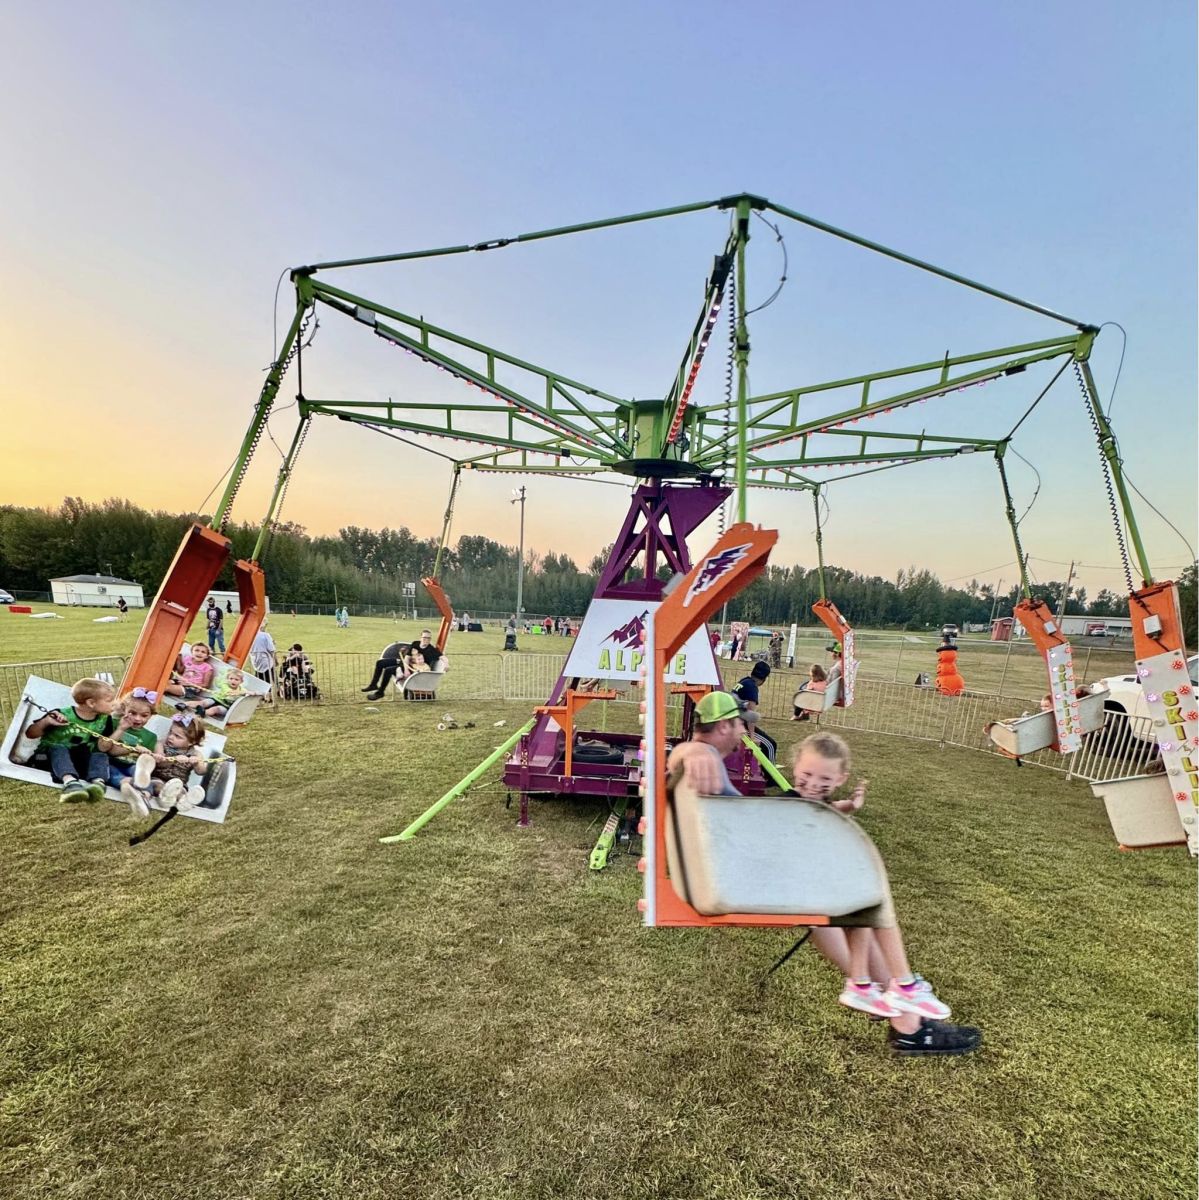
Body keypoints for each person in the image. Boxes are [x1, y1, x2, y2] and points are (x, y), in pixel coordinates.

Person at [667, 701, 980, 1057]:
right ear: (724, 726)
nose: (744, 733)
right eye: (740, 725)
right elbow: (680, 758)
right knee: (866, 894)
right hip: (744, 883)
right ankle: (904, 1008)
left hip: (743, 875)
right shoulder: (702, 758)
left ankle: (899, 1010)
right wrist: (690, 749)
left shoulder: (708, 764)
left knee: (854, 904)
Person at [24, 677, 117, 802]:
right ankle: (71, 783)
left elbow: (102, 747)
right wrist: (46, 722)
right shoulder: (60, 714)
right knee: (59, 748)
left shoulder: (105, 720)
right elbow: (30, 734)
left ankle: (98, 783)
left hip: (78, 761)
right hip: (47, 759)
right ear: (91, 703)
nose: (115, 704)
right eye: (110, 701)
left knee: (100, 754)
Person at [121, 712, 211, 819]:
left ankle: (186, 801)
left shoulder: (195, 754)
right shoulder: (161, 744)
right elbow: (160, 762)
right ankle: (166, 797)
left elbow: (201, 771)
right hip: (157, 778)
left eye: (177, 736)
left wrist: (197, 763)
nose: (171, 737)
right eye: (170, 732)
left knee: (181, 791)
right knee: (158, 785)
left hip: (179, 784)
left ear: (191, 742)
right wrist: (174, 760)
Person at [100, 688, 160, 788]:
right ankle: (126, 783)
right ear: (124, 709)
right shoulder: (114, 723)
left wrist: (151, 756)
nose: (138, 718)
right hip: (110, 762)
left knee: (142, 773)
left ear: (151, 715)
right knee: (111, 772)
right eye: (133, 713)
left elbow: (147, 760)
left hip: (131, 766)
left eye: (144, 715)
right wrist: (121, 729)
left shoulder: (151, 737)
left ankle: (145, 795)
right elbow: (110, 750)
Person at [731, 661, 776, 760]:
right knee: (770, 745)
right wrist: (752, 737)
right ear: (764, 678)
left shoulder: (744, 681)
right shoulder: (752, 687)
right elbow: (750, 715)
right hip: (740, 724)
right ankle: (770, 775)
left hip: (732, 720)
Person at [250, 621, 277, 697]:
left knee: (259, 678)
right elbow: (271, 649)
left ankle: (261, 694)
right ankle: (268, 696)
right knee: (269, 679)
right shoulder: (265, 635)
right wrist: (275, 660)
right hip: (266, 660)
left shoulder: (250, 635)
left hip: (255, 659)